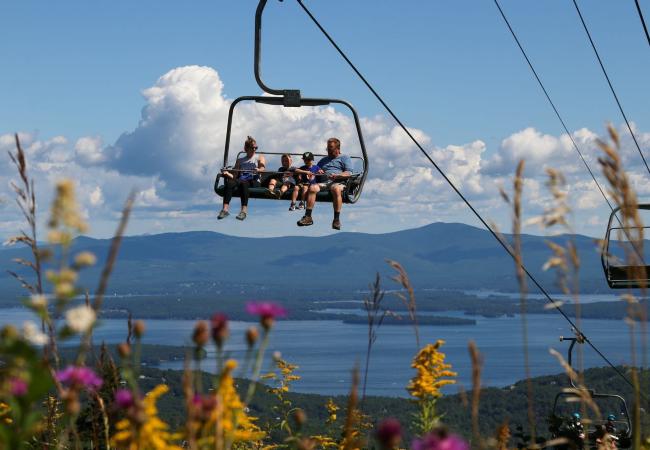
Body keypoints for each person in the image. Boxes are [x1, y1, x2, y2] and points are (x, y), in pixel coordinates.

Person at [296, 138, 353, 230]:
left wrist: (337, 175)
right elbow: (314, 170)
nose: (328, 151)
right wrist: (314, 173)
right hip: (324, 182)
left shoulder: (345, 158)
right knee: (313, 188)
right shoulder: (323, 160)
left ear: (337, 149)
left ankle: (336, 219)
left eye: (331, 148)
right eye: (328, 148)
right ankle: (308, 217)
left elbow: (348, 173)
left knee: (335, 189)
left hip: (339, 182)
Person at [217, 136, 266, 221]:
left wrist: (258, 170)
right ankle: (225, 209)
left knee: (244, 183)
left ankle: (243, 211)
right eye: (252, 147)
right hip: (242, 179)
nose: (254, 149)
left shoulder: (259, 158)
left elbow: (262, 168)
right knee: (230, 183)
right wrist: (227, 173)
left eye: (256, 148)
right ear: (246, 148)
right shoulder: (240, 160)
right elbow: (235, 176)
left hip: (254, 180)